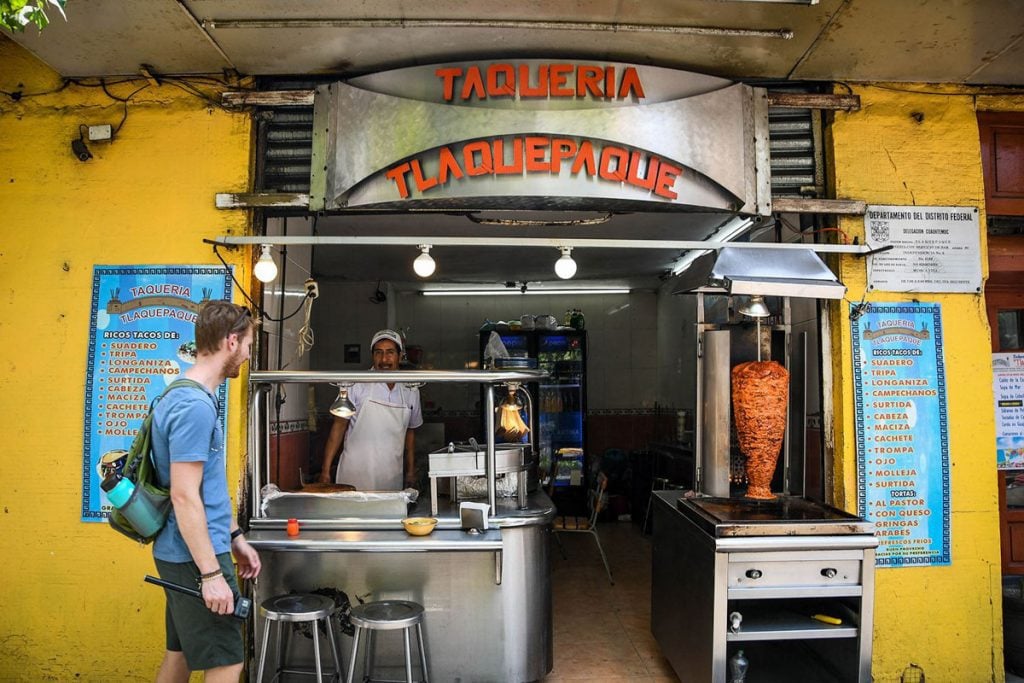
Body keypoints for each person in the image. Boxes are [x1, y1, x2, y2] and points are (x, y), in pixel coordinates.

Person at [151, 300, 261, 683]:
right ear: (232, 341)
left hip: (185, 554)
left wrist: (234, 536)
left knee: (178, 657)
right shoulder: (194, 405)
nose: (248, 355)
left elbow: (207, 485)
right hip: (195, 559)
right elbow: (184, 495)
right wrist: (211, 573)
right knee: (228, 660)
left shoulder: (185, 396)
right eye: (248, 345)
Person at [318, 329, 423, 490]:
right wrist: (325, 470)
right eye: (378, 353)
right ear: (372, 355)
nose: (384, 359)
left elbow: (410, 433)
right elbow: (338, 427)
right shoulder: (356, 384)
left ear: (400, 355)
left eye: (390, 353)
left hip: (390, 474)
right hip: (355, 473)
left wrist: (410, 471)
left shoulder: (410, 389)